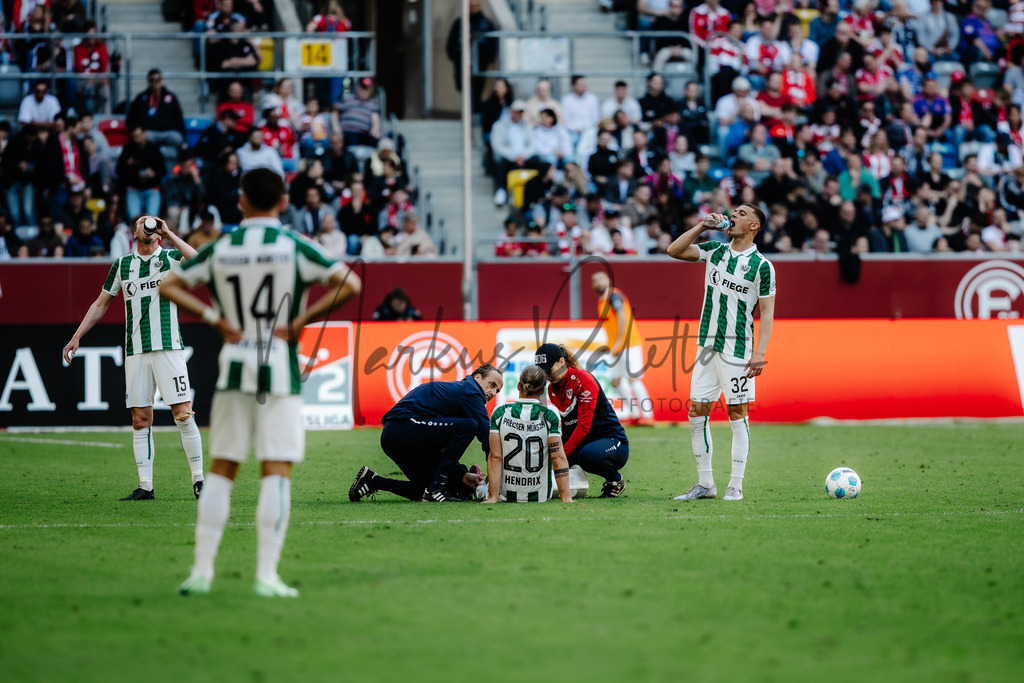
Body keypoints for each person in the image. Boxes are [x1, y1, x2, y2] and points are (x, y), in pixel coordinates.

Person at [160, 168, 361, 597]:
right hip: (279, 370)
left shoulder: (223, 246)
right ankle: (266, 576)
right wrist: (302, 319)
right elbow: (350, 282)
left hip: (235, 364)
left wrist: (215, 318)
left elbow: (170, 284)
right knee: (276, 471)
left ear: (241, 201)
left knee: (222, 469)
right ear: (284, 201)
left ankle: (201, 571)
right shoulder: (293, 245)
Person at [62, 216, 205, 501]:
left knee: (183, 413)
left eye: (152, 225)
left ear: (158, 234)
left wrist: (170, 233)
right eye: (142, 223)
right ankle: (145, 486)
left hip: (168, 347)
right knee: (140, 419)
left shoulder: (170, 258)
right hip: (135, 351)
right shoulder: (122, 265)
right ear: (134, 232)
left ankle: (199, 480)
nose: (148, 226)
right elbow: (101, 303)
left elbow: (199, 261)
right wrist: (77, 336)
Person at [666, 204, 777, 502]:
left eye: (741, 213)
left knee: (737, 414)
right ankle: (706, 484)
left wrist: (760, 352)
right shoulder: (715, 250)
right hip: (707, 346)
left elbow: (767, 313)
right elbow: (674, 250)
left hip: (738, 350)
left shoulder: (762, 266)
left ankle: (735, 485)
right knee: (696, 413)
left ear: (754, 225)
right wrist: (703, 226)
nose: (734, 215)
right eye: (734, 211)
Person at [348, 365, 503, 502]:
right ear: (477, 377)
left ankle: (372, 481)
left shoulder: (462, 393)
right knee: (469, 426)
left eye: (497, 390)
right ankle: (437, 487)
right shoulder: (470, 390)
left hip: (398, 436)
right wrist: (496, 477)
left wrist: (461, 474)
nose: (493, 392)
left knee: (425, 490)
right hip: (402, 428)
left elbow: (441, 445)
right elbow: (487, 437)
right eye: (492, 384)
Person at [534, 343, 629, 498]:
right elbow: (567, 427)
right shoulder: (552, 389)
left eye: (549, 370)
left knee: (586, 456)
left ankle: (615, 480)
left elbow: (583, 426)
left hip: (612, 441)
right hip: (585, 443)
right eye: (542, 372)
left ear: (562, 362)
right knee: (547, 452)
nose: (547, 376)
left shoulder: (584, 379)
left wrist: (561, 456)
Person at [483, 365, 574, 504]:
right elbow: (558, 457)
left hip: (506, 495)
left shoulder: (500, 412)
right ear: (542, 390)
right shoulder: (550, 415)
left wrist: (492, 498)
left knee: (481, 484)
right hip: (540, 496)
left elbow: (495, 457)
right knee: (577, 473)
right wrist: (566, 498)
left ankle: (486, 491)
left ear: (518, 386)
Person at [591, 271, 655, 425]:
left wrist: (619, 341)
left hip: (628, 344)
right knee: (615, 381)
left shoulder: (613, 296)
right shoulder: (602, 300)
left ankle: (648, 416)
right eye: (595, 280)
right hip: (615, 347)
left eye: (601, 278)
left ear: (608, 280)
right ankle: (634, 414)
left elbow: (622, 316)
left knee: (633, 379)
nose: (599, 282)